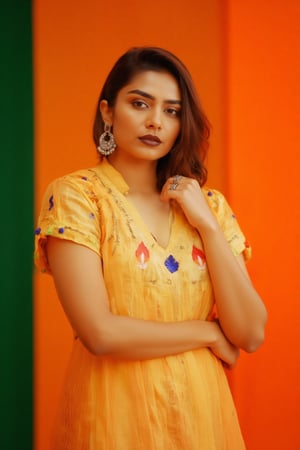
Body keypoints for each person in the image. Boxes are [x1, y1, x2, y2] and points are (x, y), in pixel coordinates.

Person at [34, 46, 267, 450]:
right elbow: (100, 333)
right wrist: (207, 333)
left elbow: (249, 333)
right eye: (140, 103)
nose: (155, 121)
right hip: (113, 418)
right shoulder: (77, 197)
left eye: (172, 111)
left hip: (204, 422)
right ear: (107, 112)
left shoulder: (209, 207)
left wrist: (208, 227)